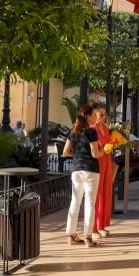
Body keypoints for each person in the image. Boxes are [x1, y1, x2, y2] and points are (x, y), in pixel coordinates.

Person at [63, 104, 102, 247]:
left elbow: (66, 152)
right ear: (88, 116)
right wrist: (103, 151)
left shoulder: (73, 131)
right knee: (90, 203)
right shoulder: (91, 132)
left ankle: (71, 235)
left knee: (75, 202)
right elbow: (95, 153)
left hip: (76, 169)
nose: (95, 117)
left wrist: (78, 154)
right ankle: (88, 237)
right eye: (93, 115)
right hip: (90, 169)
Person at [92, 106, 115, 240]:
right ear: (94, 115)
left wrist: (113, 144)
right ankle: (93, 227)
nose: (103, 117)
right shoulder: (92, 129)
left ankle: (101, 225)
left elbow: (110, 142)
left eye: (105, 114)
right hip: (98, 161)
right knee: (97, 193)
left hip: (107, 160)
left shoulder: (106, 128)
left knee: (106, 191)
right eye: (101, 114)